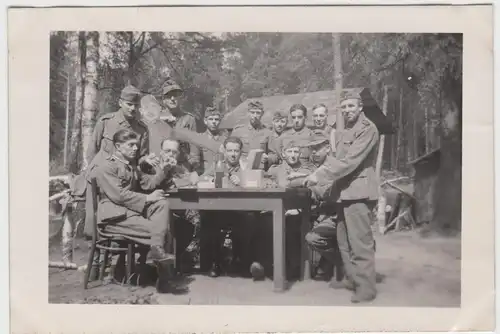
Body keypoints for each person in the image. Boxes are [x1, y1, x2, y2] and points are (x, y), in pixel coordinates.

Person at [303, 91, 380, 303]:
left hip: (359, 193)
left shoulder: (368, 129)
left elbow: (349, 162)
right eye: (343, 107)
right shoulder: (345, 130)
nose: (347, 110)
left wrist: (319, 175)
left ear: (360, 107)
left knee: (360, 242)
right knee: (344, 241)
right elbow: (335, 159)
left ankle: (366, 288)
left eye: (351, 106)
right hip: (344, 193)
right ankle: (351, 278)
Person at [94, 129, 177, 294]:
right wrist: (147, 199)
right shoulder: (106, 166)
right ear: (118, 146)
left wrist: (165, 170)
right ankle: (163, 281)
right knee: (160, 232)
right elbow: (119, 196)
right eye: (130, 145)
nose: (135, 149)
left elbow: (148, 184)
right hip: (113, 218)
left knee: (161, 203)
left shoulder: (132, 167)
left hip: (129, 213)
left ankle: (155, 262)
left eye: (136, 146)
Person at [199, 137, 249, 277]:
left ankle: (241, 261)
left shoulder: (245, 166)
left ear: (241, 152)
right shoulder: (218, 165)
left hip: (240, 211)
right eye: (230, 150)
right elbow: (201, 179)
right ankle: (214, 262)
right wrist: (211, 180)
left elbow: (256, 183)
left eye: (236, 151)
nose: (233, 154)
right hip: (220, 210)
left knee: (249, 220)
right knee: (208, 218)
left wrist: (243, 180)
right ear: (225, 152)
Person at [159, 79, 200, 173]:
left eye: (176, 95)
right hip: (161, 166)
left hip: (183, 167)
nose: (173, 99)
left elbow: (194, 147)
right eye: (169, 96)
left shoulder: (189, 119)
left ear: (180, 98)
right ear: (163, 99)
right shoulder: (157, 119)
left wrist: (193, 168)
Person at [230, 100, 270, 169]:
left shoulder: (268, 132)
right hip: (242, 169)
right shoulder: (238, 131)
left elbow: (274, 153)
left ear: (262, 114)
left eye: (258, 113)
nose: (255, 116)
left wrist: (268, 158)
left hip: (260, 169)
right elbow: (230, 151)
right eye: (252, 112)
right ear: (248, 113)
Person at [199, 106, 229, 174]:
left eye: (216, 119)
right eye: (211, 119)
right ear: (205, 121)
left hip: (222, 174)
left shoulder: (225, 140)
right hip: (205, 175)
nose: (214, 122)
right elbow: (195, 161)